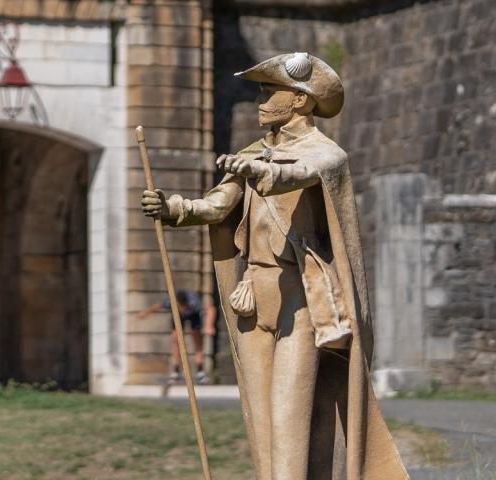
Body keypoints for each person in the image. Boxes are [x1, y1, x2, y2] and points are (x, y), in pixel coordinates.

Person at [139, 52, 411, 479]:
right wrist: (173, 208)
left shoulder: (326, 154)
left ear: (300, 100)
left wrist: (259, 170)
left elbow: (298, 174)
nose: (260, 101)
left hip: (299, 301)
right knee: (261, 417)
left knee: (288, 417)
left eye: (270, 91)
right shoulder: (254, 152)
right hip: (253, 296)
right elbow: (216, 206)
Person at [134, 289, 217, 386]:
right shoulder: (171, 301)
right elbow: (157, 306)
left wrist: (209, 326)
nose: (183, 310)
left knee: (197, 338)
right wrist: (145, 313)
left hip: (194, 316)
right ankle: (175, 371)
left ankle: (200, 371)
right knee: (175, 339)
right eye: (181, 307)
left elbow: (211, 309)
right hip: (178, 316)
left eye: (184, 308)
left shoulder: (194, 302)